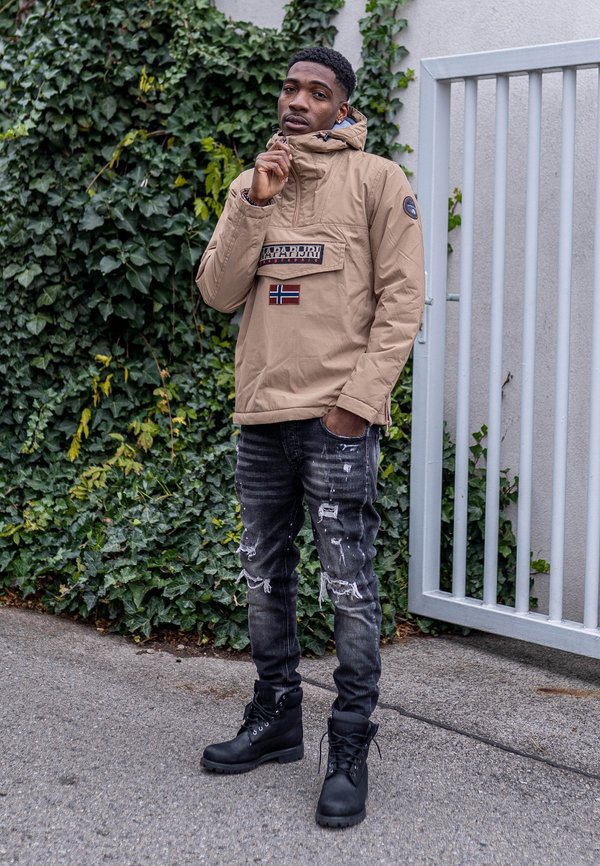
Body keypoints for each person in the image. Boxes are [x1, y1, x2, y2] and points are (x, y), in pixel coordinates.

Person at [196, 45, 424, 828]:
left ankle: (350, 745)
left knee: (349, 586)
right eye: (290, 88)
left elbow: (402, 302)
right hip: (262, 419)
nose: (298, 101)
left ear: (342, 107)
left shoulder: (378, 181)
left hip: (336, 421)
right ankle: (276, 719)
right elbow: (218, 291)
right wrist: (255, 204)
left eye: (317, 92)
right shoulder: (253, 181)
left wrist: (357, 405)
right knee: (265, 578)